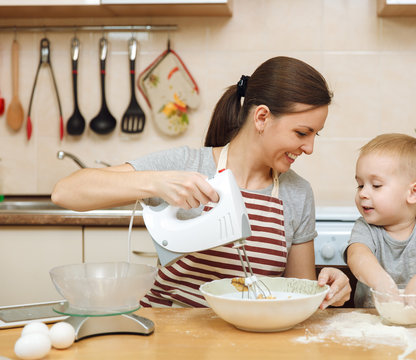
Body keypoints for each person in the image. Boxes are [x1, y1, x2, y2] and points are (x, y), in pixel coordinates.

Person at [52, 56, 351, 309]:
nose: (310, 148)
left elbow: (296, 293)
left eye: (315, 135)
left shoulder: (297, 193)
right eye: (302, 133)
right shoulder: (187, 166)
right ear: (261, 117)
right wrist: (155, 183)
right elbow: (66, 192)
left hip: (248, 343)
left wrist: (325, 292)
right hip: (166, 336)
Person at [344, 133, 416, 308]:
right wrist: (381, 282)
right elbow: (357, 255)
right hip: (373, 325)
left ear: (414, 192)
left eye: (376, 185)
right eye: (360, 185)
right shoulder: (365, 227)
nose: (362, 193)